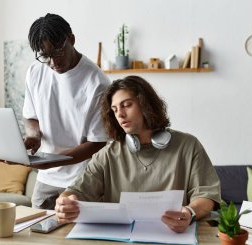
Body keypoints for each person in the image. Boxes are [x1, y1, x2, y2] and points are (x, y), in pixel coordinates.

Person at [55, 75, 221, 233]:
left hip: (173, 238)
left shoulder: (188, 145)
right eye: (115, 109)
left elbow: (207, 196)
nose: (120, 114)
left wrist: (189, 212)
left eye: (127, 105)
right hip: (121, 242)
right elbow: (76, 191)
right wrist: (65, 202)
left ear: (145, 104)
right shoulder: (108, 154)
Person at [23, 13, 110, 209]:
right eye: (45, 55)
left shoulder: (98, 83)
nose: (53, 62)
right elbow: (31, 116)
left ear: (71, 39)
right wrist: (33, 136)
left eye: (58, 52)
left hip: (82, 178)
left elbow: (97, 143)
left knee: (76, 238)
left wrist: (53, 161)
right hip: (46, 178)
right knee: (37, 235)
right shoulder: (35, 71)